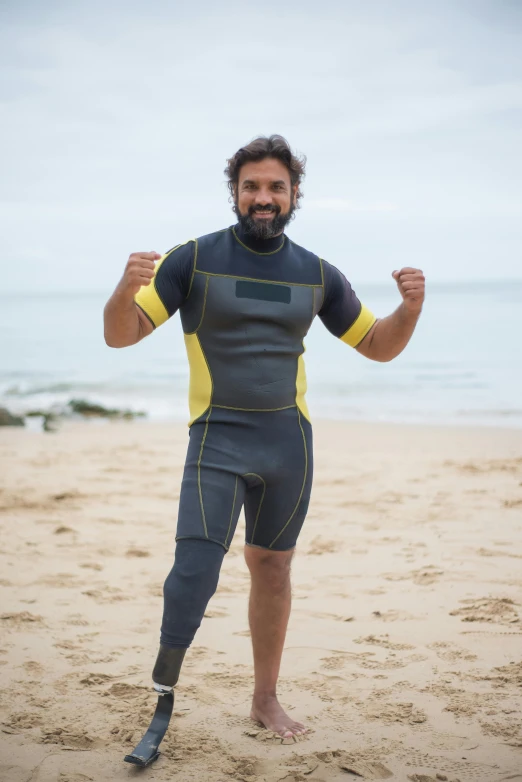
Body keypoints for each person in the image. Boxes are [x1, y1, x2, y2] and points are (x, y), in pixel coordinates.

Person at [103, 135, 425, 750]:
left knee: (272, 567)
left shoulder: (318, 274)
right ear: (235, 192)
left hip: (288, 446)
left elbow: (376, 345)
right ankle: (164, 695)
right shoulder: (190, 260)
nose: (263, 197)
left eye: (276, 186)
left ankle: (264, 699)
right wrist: (125, 286)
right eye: (251, 186)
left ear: (294, 194)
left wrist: (409, 308)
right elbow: (123, 335)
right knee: (194, 569)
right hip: (216, 439)